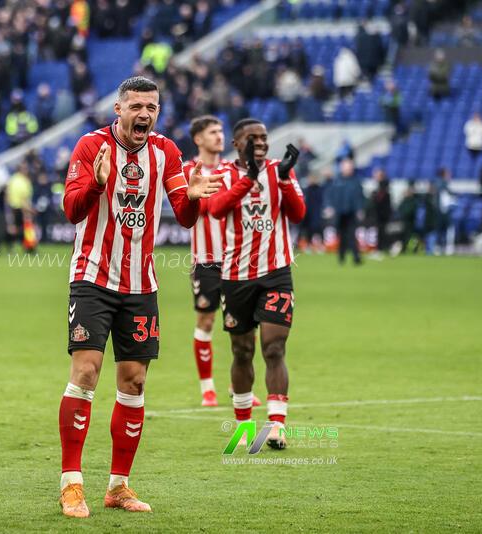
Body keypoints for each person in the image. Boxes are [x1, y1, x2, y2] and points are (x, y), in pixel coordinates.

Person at [57, 76, 219, 518]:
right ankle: (71, 483)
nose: (144, 114)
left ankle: (118, 486)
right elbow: (71, 210)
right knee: (86, 372)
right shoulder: (91, 147)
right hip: (92, 277)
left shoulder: (166, 151)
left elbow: (184, 217)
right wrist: (95, 183)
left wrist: (196, 199)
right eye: (136, 107)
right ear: (118, 109)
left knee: (134, 382)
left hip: (141, 284)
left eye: (152, 107)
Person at [208, 118, 305, 451]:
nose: (261, 142)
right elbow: (217, 209)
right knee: (242, 350)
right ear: (237, 144)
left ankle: (277, 424)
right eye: (253, 138)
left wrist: (285, 180)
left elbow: (298, 213)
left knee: (274, 348)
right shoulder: (222, 173)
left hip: (276, 272)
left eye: (264, 137)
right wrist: (248, 178)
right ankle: (244, 424)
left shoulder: (281, 170)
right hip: (235, 277)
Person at [184, 115, 259, 408]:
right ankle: (207, 389)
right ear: (198, 139)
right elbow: (200, 207)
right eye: (212, 132)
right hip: (205, 260)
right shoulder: (190, 171)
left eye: (220, 131)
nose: (219, 136)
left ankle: (238, 384)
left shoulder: (232, 170)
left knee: (244, 325)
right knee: (206, 319)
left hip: (236, 259)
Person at [325, 158, 364, 265]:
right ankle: (341, 257)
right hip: (339, 213)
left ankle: (356, 258)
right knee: (341, 236)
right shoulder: (337, 181)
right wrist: (329, 207)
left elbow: (359, 197)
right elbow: (330, 196)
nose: (348, 169)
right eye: (346, 167)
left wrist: (359, 209)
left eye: (349, 167)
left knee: (352, 235)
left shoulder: (356, 181)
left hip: (351, 212)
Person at [370, 167, 392, 255]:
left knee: (382, 231)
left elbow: (379, 199)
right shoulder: (383, 186)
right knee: (381, 231)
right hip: (382, 213)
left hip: (382, 214)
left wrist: (374, 196)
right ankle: (382, 248)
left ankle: (380, 249)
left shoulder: (383, 186)